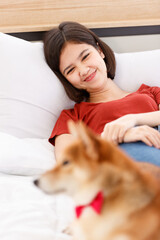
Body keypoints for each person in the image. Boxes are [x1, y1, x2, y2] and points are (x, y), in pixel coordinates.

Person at [43, 21, 160, 166]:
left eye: (85, 57)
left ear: (100, 51)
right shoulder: (72, 117)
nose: (83, 70)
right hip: (123, 163)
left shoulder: (151, 93)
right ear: (66, 79)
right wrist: (118, 136)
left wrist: (132, 120)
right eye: (70, 70)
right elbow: (67, 161)